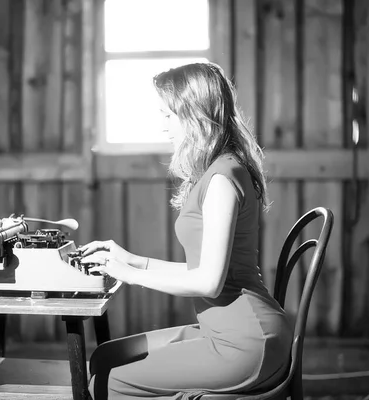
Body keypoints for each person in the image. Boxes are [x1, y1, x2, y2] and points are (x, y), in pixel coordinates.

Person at [79, 62, 293, 400]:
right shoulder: (216, 170)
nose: (163, 126)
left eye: (168, 115)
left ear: (195, 115)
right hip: (223, 329)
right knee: (105, 357)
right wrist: (131, 260)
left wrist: (127, 275)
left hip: (245, 342)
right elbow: (204, 270)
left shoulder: (223, 178)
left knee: (104, 385)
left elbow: (208, 282)